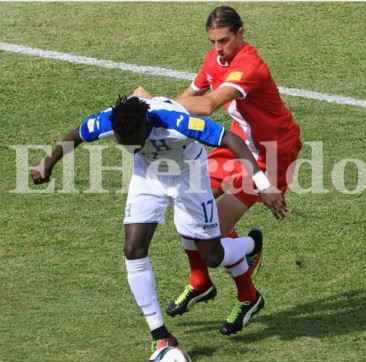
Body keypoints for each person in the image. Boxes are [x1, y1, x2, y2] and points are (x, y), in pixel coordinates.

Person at [31, 96, 287, 348]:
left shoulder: (176, 123)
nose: (131, 147)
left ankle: (250, 245)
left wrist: (263, 185)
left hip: (190, 176)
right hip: (148, 176)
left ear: (145, 126)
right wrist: (48, 164)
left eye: (134, 142)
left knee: (212, 256)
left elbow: (230, 139)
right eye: (124, 143)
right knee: (133, 249)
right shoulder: (111, 122)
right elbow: (77, 134)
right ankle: (159, 333)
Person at [133, 6, 302, 330]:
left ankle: (249, 283)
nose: (218, 49)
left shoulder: (249, 65)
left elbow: (208, 105)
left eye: (224, 40)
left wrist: (151, 103)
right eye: (212, 41)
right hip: (237, 144)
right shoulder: (215, 61)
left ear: (241, 33)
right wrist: (160, 112)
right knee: (188, 199)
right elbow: (187, 100)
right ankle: (201, 282)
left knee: (211, 234)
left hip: (273, 154)